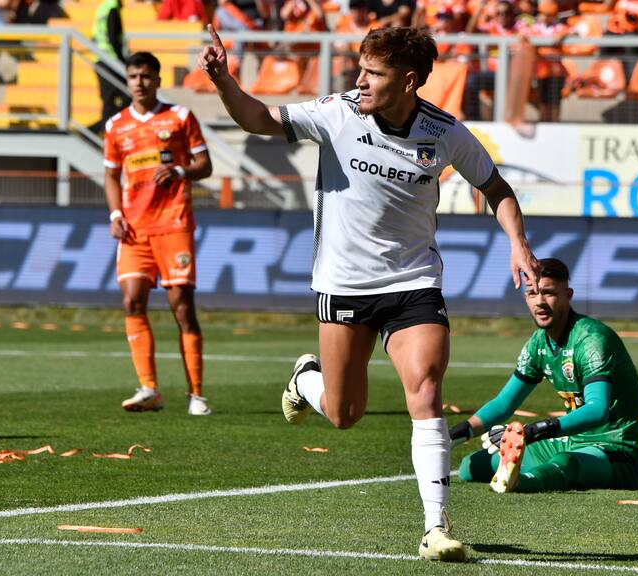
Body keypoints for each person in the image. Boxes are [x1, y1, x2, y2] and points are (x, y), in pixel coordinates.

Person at [198, 25, 539, 561]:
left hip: (414, 282)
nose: (359, 80)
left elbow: (495, 187)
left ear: (408, 80)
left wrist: (518, 244)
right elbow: (261, 119)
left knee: (424, 391)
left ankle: (436, 528)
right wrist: (224, 82)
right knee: (343, 414)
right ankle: (305, 379)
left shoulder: (445, 132)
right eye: (360, 68)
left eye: (372, 73)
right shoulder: (339, 111)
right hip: (343, 286)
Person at [449, 258, 638, 494]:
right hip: (572, 440)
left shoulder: (592, 340)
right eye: (532, 293)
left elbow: (597, 410)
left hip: (615, 451)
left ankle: (521, 483)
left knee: (567, 463)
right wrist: (452, 437)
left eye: (548, 293)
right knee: (470, 467)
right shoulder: (538, 343)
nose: (539, 302)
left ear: (568, 294)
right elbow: (504, 403)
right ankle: (521, 473)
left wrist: (534, 431)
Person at [104, 51, 213, 415]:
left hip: (174, 223)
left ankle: (196, 393)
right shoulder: (115, 126)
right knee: (132, 300)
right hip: (134, 229)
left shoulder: (180, 117)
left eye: (146, 76)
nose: (139, 82)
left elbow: (204, 165)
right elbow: (109, 175)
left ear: (157, 79)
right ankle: (149, 388)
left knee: (182, 307)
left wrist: (180, 171)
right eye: (133, 76)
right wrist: (116, 212)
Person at [92, 0, 131, 131]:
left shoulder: (103, 7)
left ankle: (105, 129)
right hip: (109, 60)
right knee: (129, 94)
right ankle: (104, 130)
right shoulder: (112, 9)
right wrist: (121, 62)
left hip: (100, 58)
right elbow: (113, 38)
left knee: (109, 99)